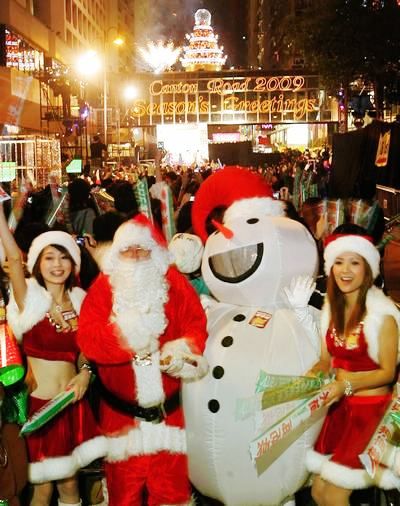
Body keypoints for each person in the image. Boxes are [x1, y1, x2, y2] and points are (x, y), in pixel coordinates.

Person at [77, 213, 208, 506]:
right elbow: (89, 339)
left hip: (170, 417)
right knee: (124, 496)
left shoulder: (173, 282)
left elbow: (196, 326)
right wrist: (128, 335)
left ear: (155, 253)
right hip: (121, 420)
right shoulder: (103, 287)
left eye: (142, 249)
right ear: (117, 253)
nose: (135, 256)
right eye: (128, 249)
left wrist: (182, 352)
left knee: (172, 496)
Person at [0, 204, 106, 506]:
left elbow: (87, 354)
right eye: (49, 258)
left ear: (73, 263)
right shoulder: (29, 298)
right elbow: (12, 257)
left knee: (71, 486)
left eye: (63, 257)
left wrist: (86, 373)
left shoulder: (82, 301)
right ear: (37, 263)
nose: (57, 264)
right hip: (38, 410)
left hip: (72, 407)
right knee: (42, 489)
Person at [306, 229, 400, 506]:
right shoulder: (330, 310)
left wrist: (345, 384)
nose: (345, 270)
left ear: (368, 268)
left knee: (335, 494)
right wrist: (314, 374)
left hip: (372, 416)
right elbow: (326, 360)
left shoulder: (382, 315)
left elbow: (386, 373)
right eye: (339, 262)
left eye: (354, 262)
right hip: (341, 412)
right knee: (318, 492)